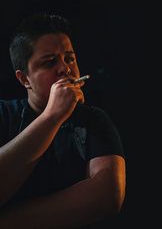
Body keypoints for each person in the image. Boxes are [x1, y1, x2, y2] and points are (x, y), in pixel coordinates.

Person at [0, 13, 126, 228]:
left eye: (69, 58)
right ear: (24, 79)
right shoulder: (4, 114)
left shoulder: (93, 119)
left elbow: (108, 195)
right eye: (50, 62)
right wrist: (53, 115)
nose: (65, 69)